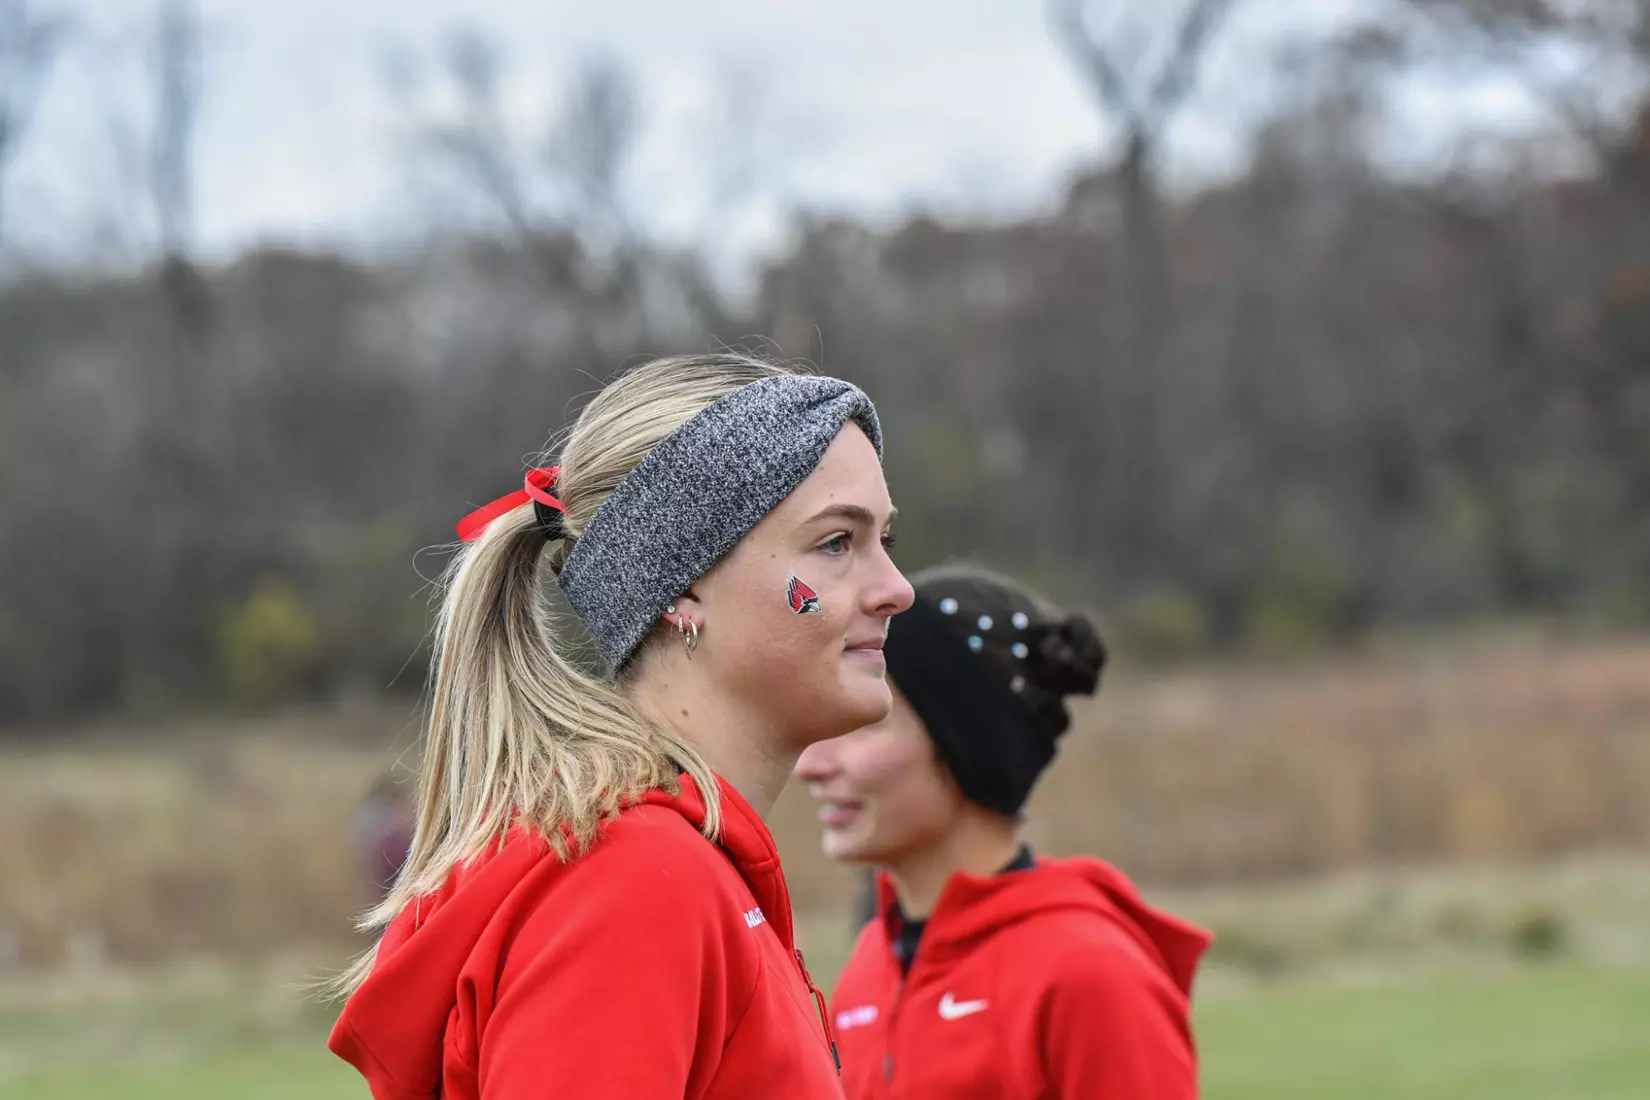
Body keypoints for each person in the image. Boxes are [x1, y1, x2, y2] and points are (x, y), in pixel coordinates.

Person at [327, 353, 913, 1100]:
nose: (896, 589)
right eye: (837, 543)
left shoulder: (678, 868)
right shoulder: (636, 884)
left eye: (883, 541)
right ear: (685, 582)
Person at [794, 564, 1211, 1099]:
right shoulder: (869, 967)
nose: (811, 763)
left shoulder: (1090, 976)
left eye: (863, 725)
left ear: (968, 743)